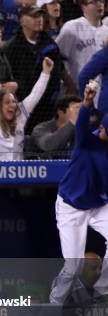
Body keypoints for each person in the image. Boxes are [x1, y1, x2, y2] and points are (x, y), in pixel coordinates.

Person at [52, 80, 108, 304]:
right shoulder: (88, 142)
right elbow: (82, 125)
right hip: (71, 206)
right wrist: (86, 103)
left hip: (97, 204)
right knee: (73, 265)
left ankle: (103, 290)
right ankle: (55, 303)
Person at [0, 44, 53, 160]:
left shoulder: (19, 116)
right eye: (7, 102)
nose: (13, 105)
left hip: (18, 175)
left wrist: (45, 73)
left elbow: (35, 96)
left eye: (14, 101)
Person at [2, 5, 65, 133]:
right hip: (20, 107)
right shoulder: (10, 48)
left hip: (46, 108)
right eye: (34, 16)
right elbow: (7, 79)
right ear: (22, 20)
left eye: (40, 16)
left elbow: (56, 76)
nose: (39, 19)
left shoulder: (50, 45)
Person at [56, 0, 105, 90]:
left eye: (101, 1)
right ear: (83, 6)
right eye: (94, 2)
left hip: (102, 92)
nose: (100, 5)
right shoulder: (71, 27)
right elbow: (57, 59)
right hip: (78, 89)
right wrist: (70, 85)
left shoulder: (106, 31)